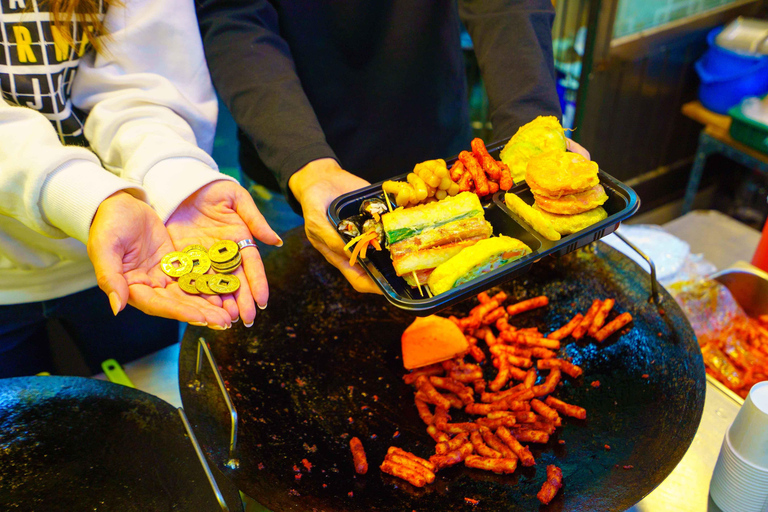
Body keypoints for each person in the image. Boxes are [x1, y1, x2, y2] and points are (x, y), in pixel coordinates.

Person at [196, 1, 590, 294]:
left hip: (442, 162)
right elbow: (234, 15)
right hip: (294, 169)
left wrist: (531, 127)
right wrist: (304, 161)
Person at [0, 0, 281, 378]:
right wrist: (87, 197)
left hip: (139, 256)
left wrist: (175, 178)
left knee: (141, 397)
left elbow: (143, 80)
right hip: (14, 272)